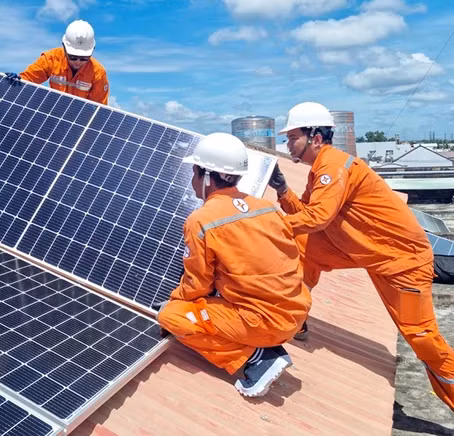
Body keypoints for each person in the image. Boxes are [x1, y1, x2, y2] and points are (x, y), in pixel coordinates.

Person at [269, 101, 454, 410]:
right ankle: (295, 317)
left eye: (292, 137)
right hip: (367, 252)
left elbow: (317, 218)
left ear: (315, 138)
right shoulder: (321, 170)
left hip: (402, 263)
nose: (287, 144)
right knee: (306, 248)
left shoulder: (334, 167)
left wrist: (263, 224)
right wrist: (283, 191)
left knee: (421, 338)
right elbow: (307, 216)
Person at [156, 132, 310, 398]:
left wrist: (171, 303)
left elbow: (197, 284)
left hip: (264, 322)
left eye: (194, 172)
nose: (192, 181)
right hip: (297, 310)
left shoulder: (202, 220)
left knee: (172, 316)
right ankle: (261, 344)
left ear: (205, 176)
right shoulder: (267, 207)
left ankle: (258, 357)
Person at [5, 20, 109, 104]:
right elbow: (29, 79)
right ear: (64, 48)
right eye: (73, 57)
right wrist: (18, 81)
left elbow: (98, 108)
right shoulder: (51, 59)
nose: (78, 62)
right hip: (53, 112)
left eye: (83, 58)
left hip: (80, 119)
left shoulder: (98, 73)